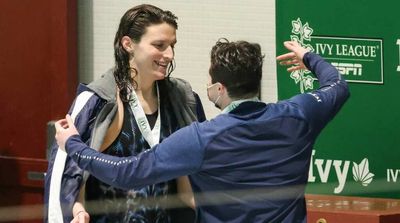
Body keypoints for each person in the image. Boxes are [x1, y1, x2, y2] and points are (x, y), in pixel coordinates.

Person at [54, 39, 350, 223]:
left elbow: (128, 172)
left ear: (219, 88)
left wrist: (74, 146)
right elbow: (337, 86)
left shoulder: (201, 138)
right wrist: (308, 57)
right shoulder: (299, 115)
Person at [44, 4, 206, 223]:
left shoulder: (182, 99)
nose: (169, 54)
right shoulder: (98, 103)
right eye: (159, 45)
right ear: (128, 44)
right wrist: (78, 211)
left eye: (172, 45)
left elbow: (191, 180)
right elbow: (71, 175)